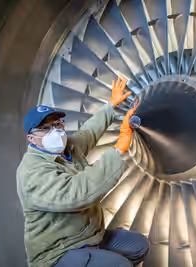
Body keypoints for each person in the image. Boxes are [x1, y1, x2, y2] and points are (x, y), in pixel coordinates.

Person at [16, 77, 149, 267]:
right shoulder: (31, 173)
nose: (55, 132)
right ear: (31, 138)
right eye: (45, 129)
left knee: (138, 246)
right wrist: (119, 147)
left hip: (89, 238)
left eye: (57, 125)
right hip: (58, 252)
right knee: (119, 265)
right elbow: (79, 193)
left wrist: (112, 105)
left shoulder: (67, 148)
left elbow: (89, 132)